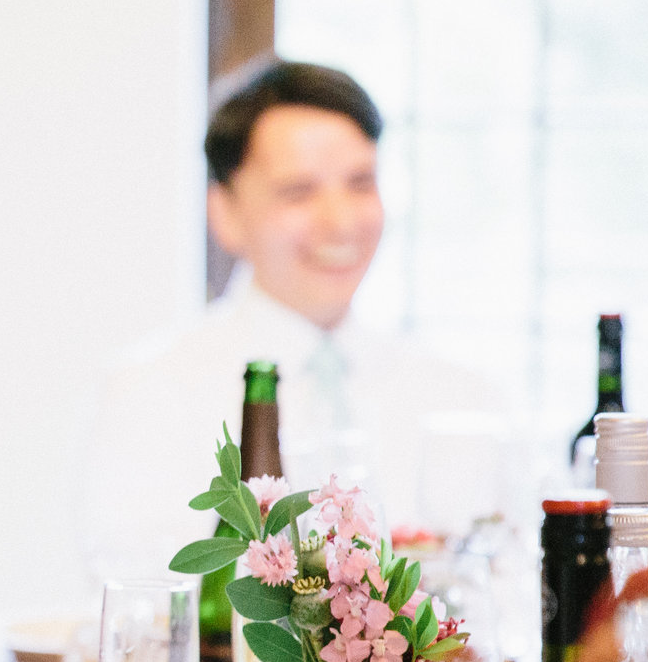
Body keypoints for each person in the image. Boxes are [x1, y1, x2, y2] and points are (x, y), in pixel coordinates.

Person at [83, 57, 504, 577]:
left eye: (360, 184)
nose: (341, 222)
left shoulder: (460, 395)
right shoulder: (147, 389)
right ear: (225, 212)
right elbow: (133, 598)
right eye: (299, 192)